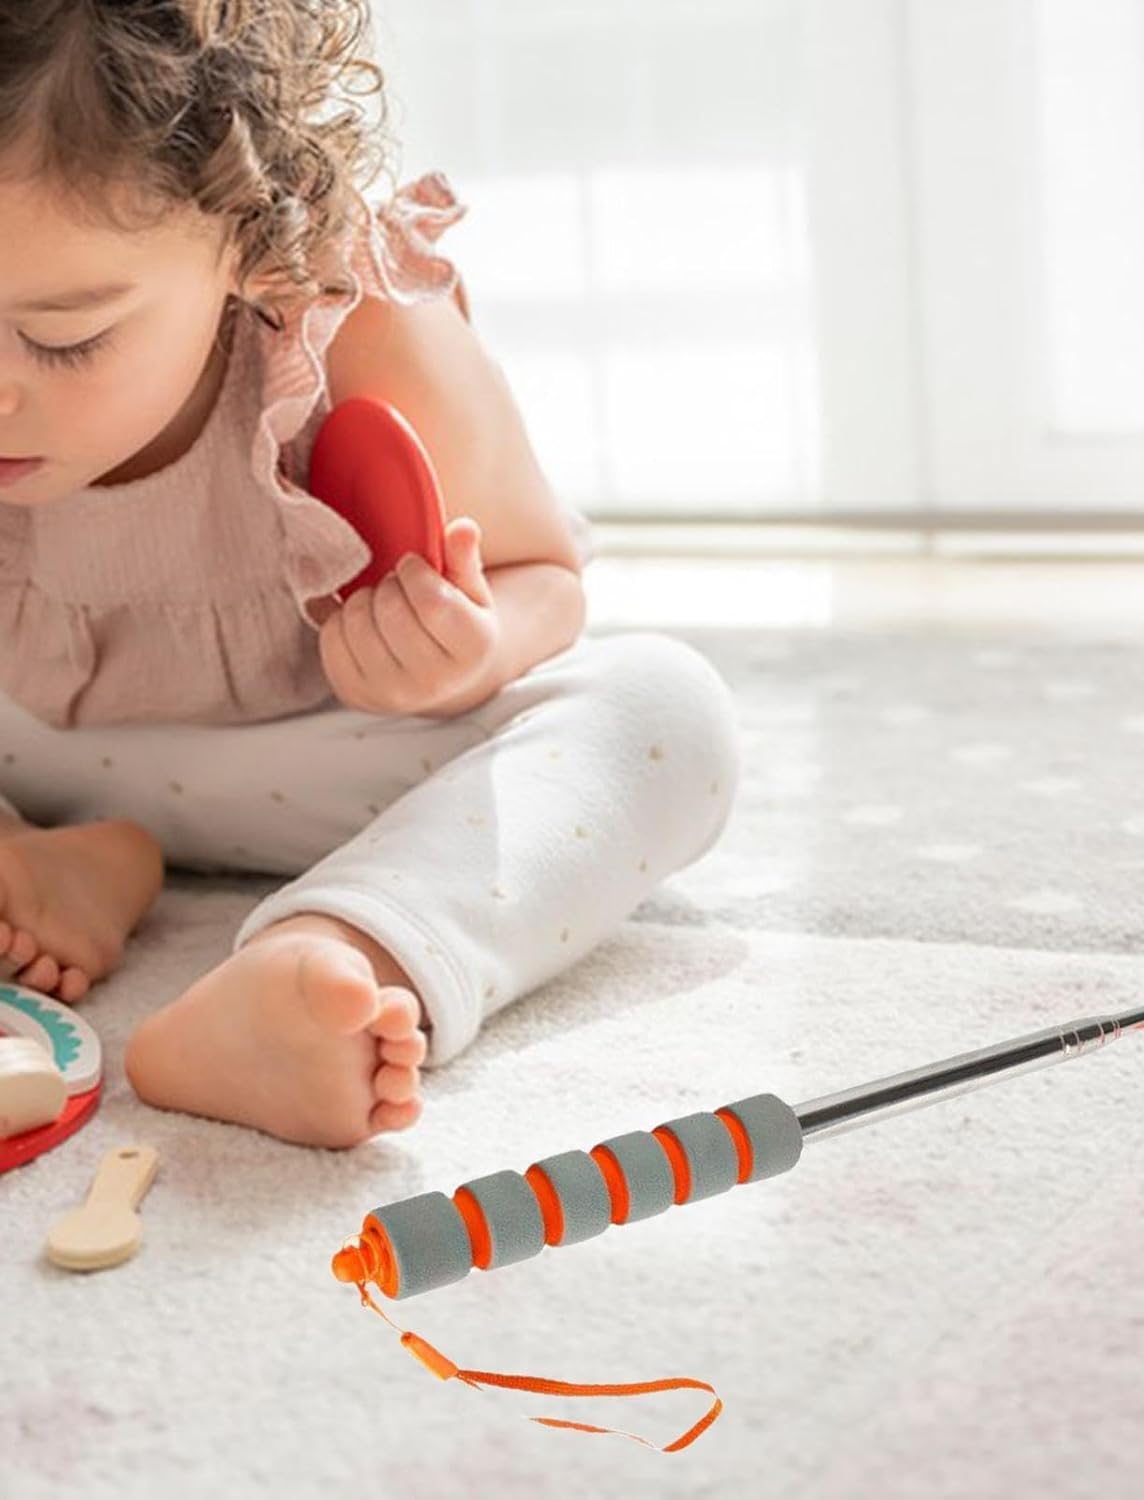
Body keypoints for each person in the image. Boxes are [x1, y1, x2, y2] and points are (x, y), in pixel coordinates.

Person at [0, 0, 739, 1149]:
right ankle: (55, 866)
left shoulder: (361, 322)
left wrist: (462, 653)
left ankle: (336, 953)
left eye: (62, 339)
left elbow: (542, 576)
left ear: (250, 237)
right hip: (36, 758)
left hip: (327, 763)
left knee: (663, 709)